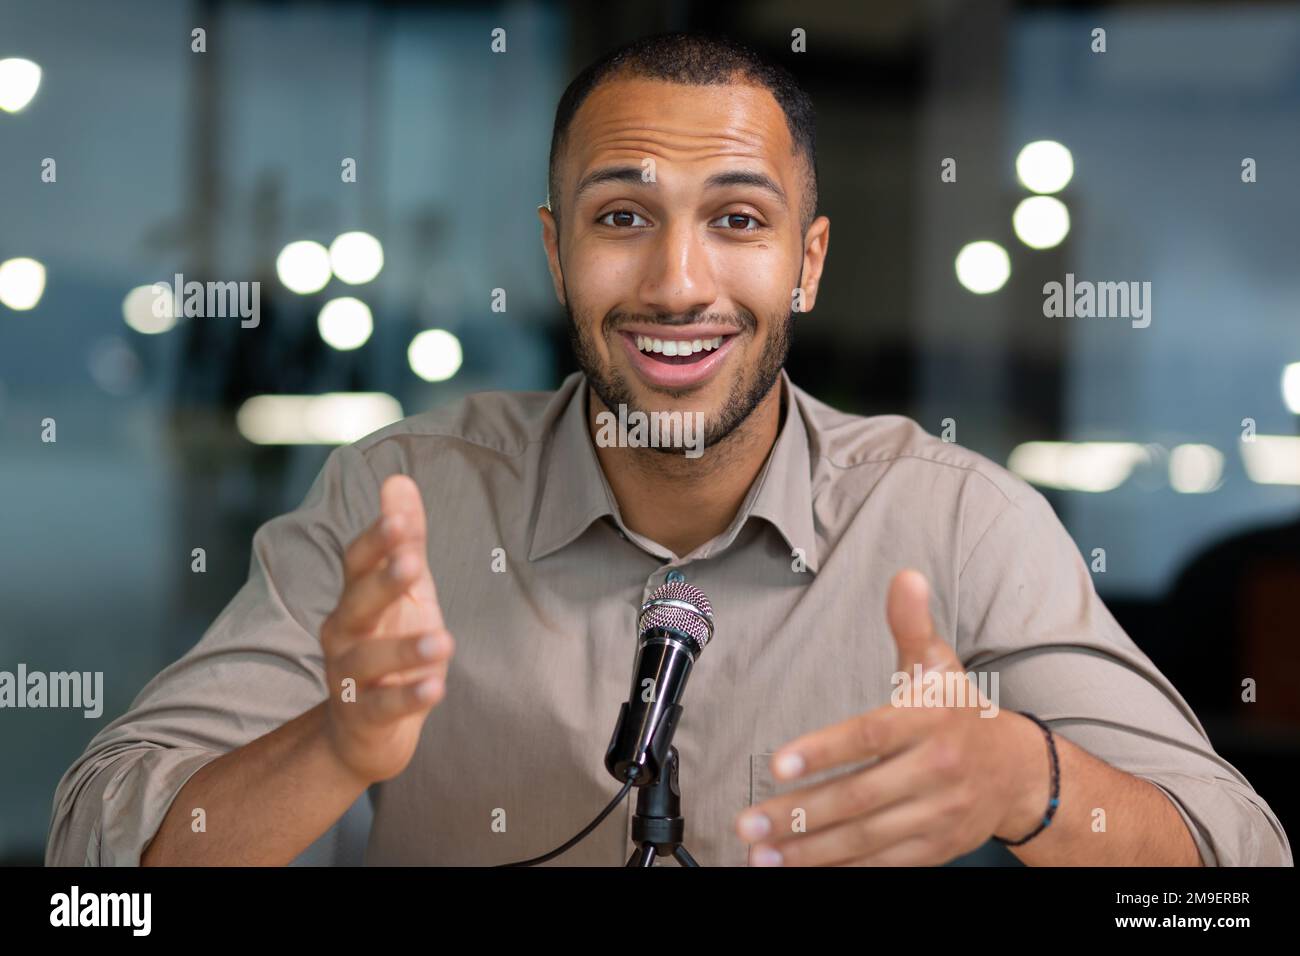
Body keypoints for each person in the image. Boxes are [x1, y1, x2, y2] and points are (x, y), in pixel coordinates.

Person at [47, 30, 1291, 867]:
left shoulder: (956, 521)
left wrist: (1032, 780)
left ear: (806, 261)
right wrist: (330, 744)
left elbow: (1237, 860)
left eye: (737, 220)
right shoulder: (404, 496)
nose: (677, 280)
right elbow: (90, 862)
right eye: (622, 217)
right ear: (554, 252)